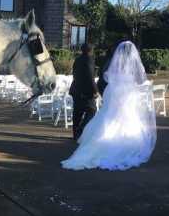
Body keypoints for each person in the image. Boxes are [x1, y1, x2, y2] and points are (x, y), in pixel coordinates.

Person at [62, 41, 157, 171]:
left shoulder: (113, 63)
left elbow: (107, 76)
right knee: (125, 115)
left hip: (113, 91)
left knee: (108, 115)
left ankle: (83, 135)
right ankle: (119, 140)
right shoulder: (131, 66)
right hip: (126, 93)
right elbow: (139, 80)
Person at [69, 44, 99, 140]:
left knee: (77, 112)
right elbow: (90, 77)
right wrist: (95, 90)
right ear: (90, 51)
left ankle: (75, 134)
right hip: (86, 91)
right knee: (92, 110)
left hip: (76, 89)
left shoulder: (78, 59)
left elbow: (74, 73)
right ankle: (80, 131)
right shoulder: (89, 59)